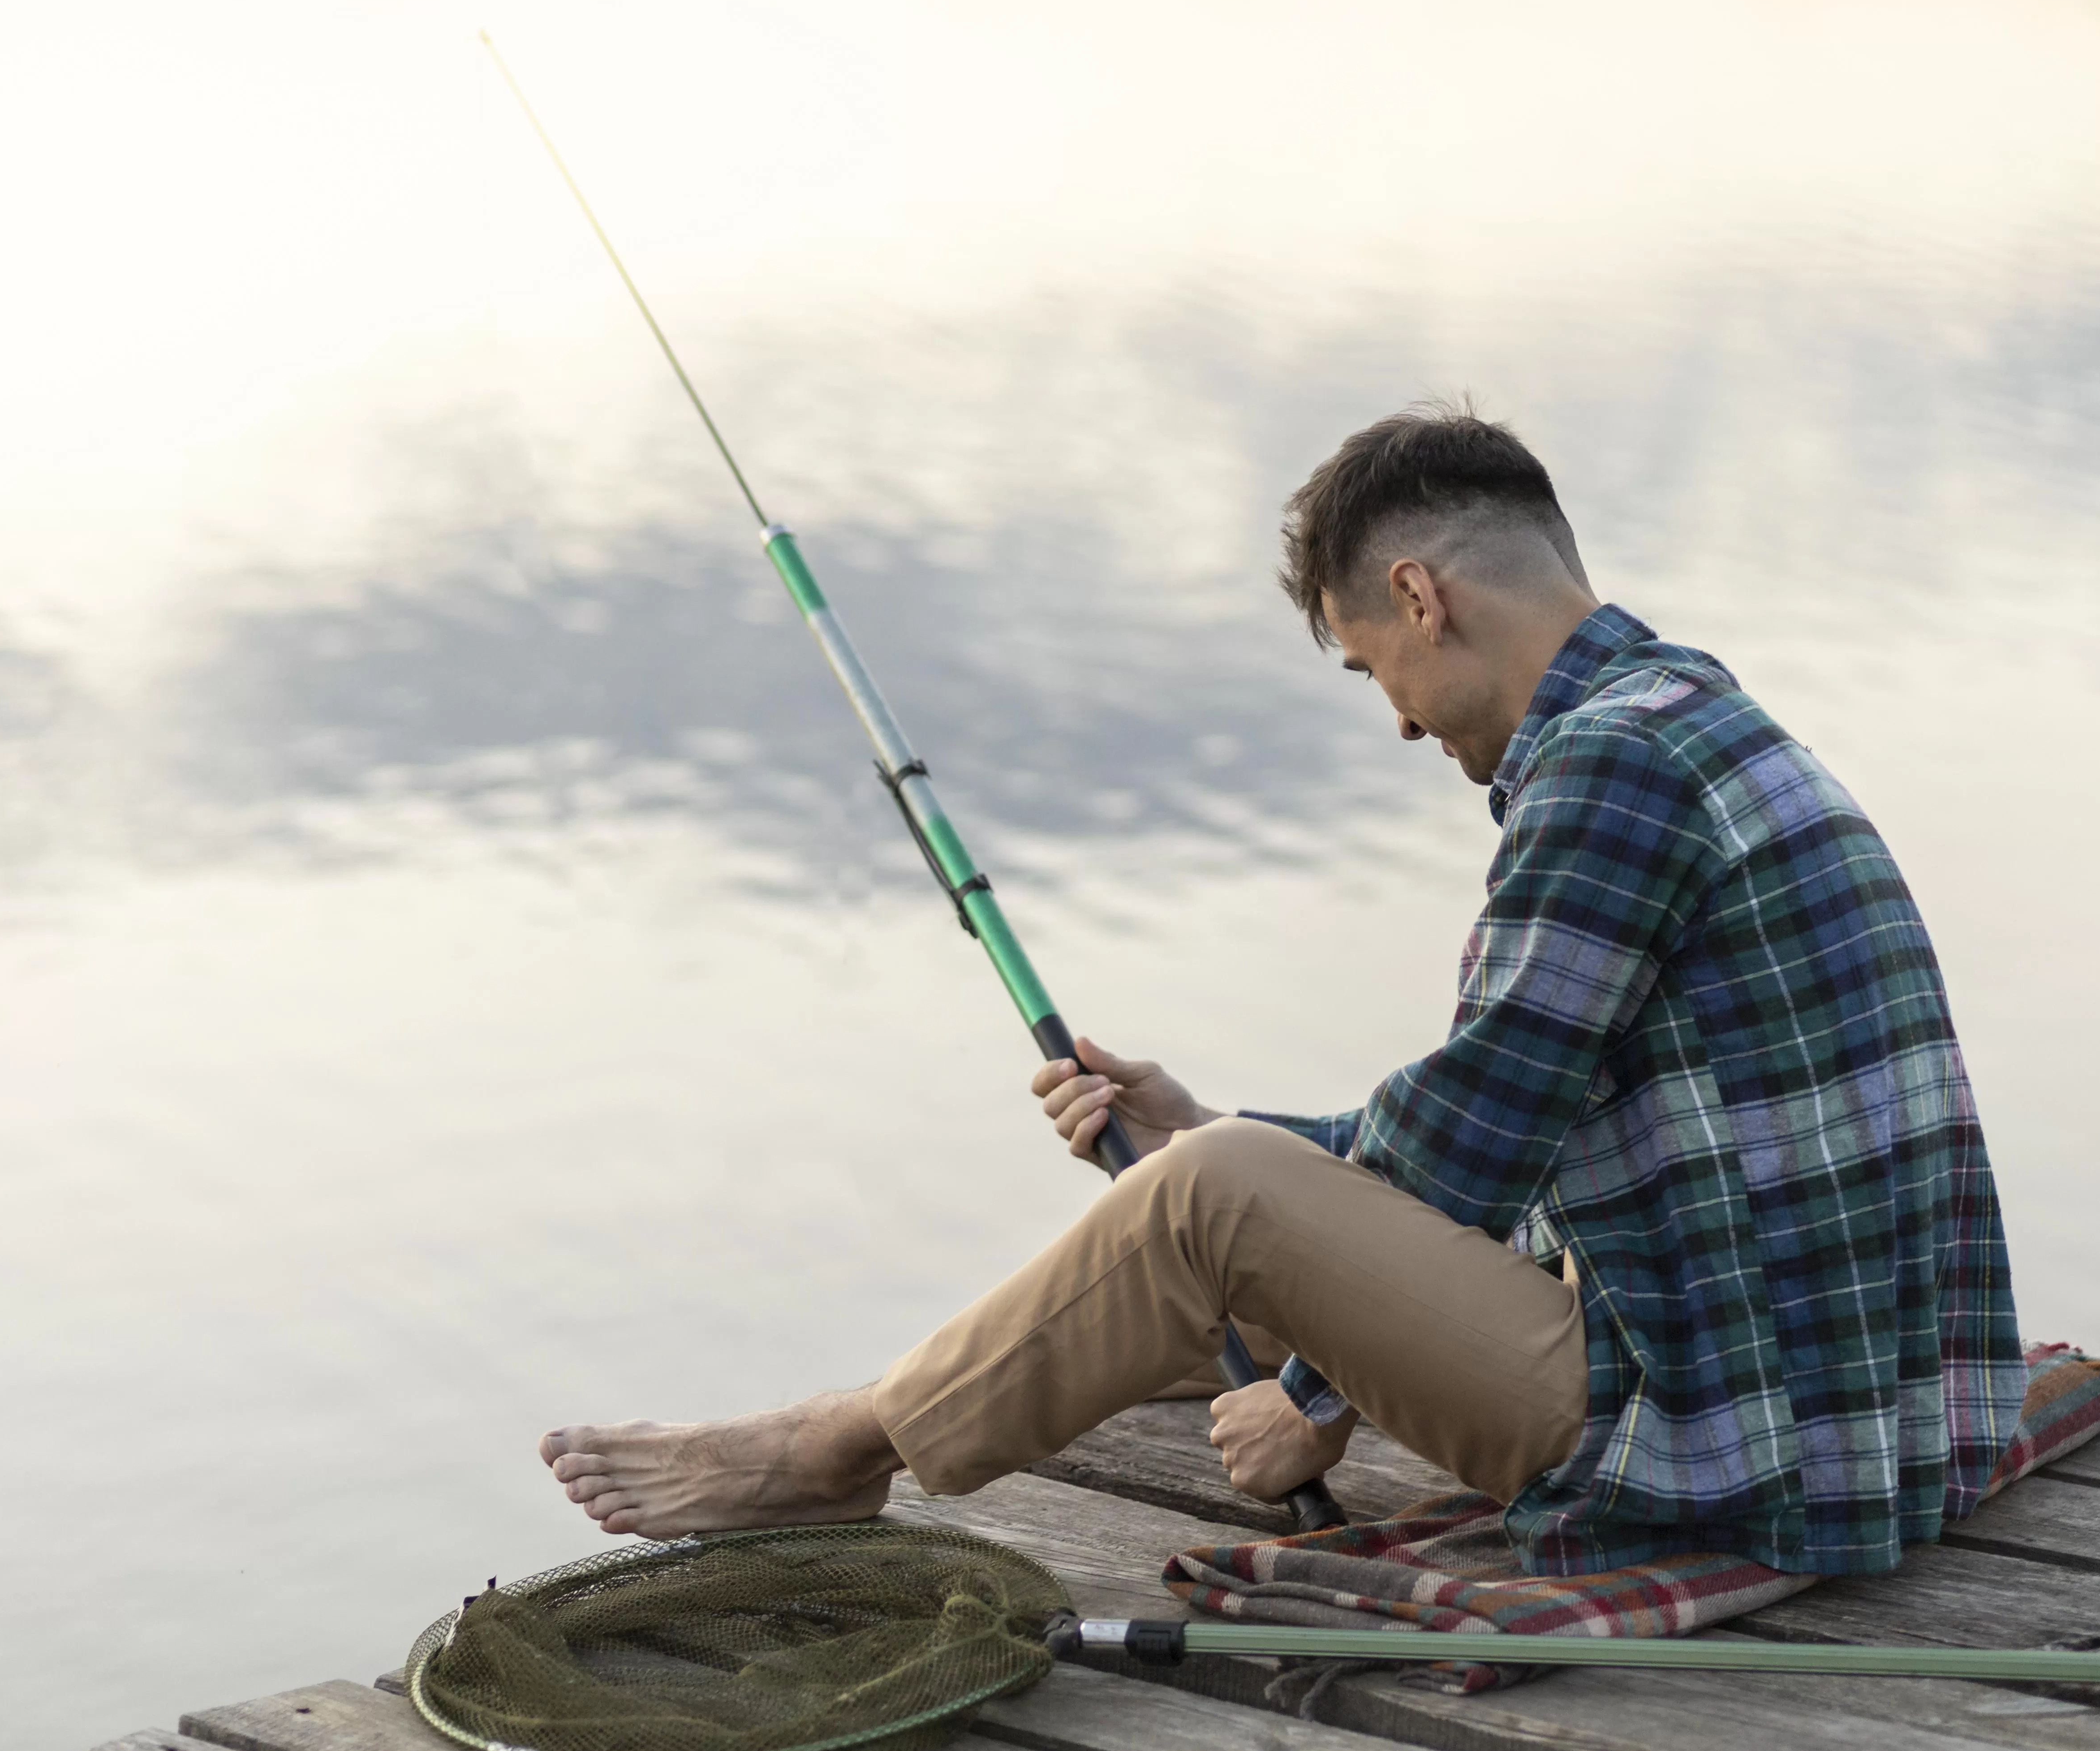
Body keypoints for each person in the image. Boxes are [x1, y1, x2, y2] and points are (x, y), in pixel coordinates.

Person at [541, 405, 2024, 1578]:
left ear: (1419, 596)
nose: (1399, 723)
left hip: (1740, 1447)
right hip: (1838, 1404)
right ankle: (894, 1412)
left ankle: (830, 1451)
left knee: (1208, 1205)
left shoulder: (1605, 773)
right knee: (1201, 1197)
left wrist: (1307, 1395)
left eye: (1375, 669)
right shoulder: (1693, 717)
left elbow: (1466, 1158)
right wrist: (1205, 1129)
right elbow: (1513, 1114)